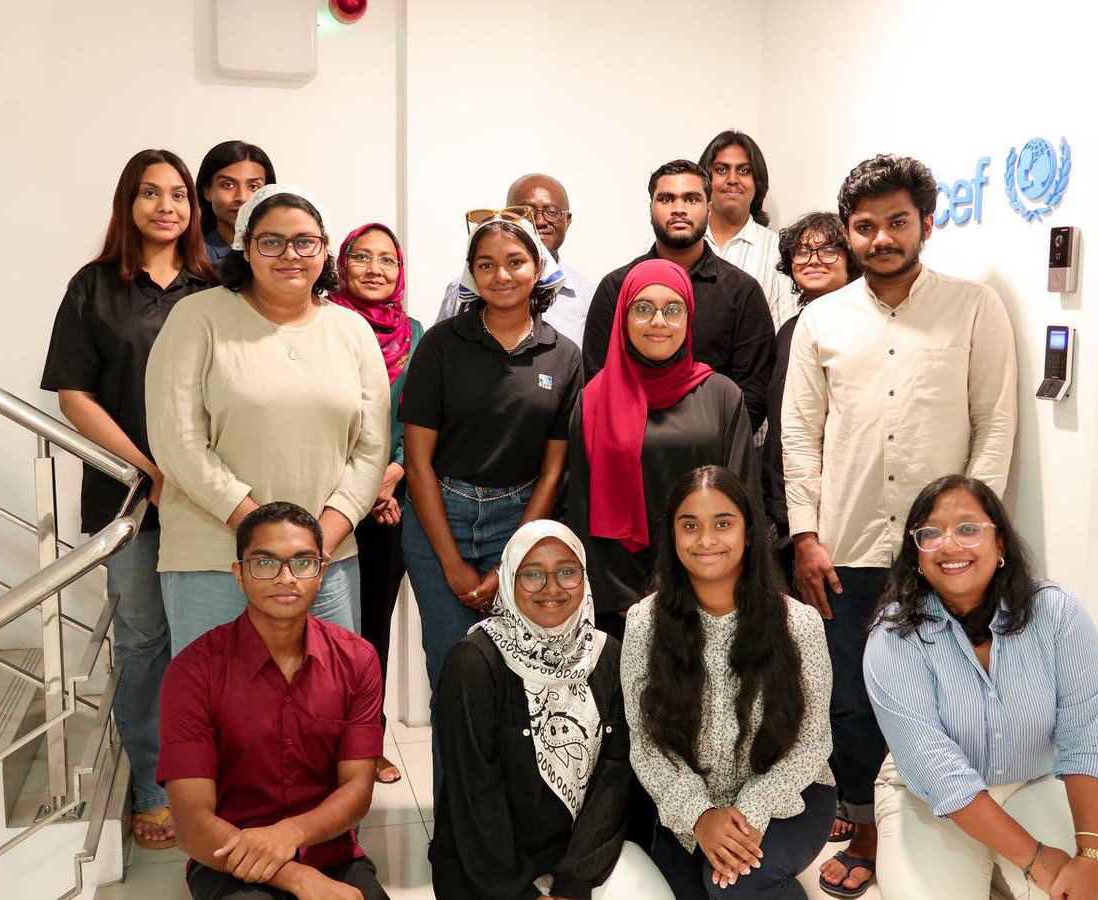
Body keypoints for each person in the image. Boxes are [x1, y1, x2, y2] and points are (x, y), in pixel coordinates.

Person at [781, 154, 1019, 897]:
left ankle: (939, 834)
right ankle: (870, 828)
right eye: (865, 226)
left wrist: (971, 536)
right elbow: (798, 434)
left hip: (941, 556)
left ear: (924, 222)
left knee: (945, 700)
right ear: (847, 232)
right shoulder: (822, 319)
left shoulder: (974, 308)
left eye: (897, 221)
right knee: (853, 700)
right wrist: (806, 536)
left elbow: (996, 422)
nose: (881, 237)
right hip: (846, 549)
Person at [41, 148, 214, 851]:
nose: (166, 206)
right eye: (151, 193)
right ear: (128, 204)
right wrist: (148, 471)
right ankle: (153, 786)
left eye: (178, 194)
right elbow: (74, 393)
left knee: (207, 646)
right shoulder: (94, 287)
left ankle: (210, 783)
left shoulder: (216, 287)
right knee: (145, 643)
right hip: (131, 502)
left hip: (209, 503)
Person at [146, 184, 390, 655]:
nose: (290, 255)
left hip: (327, 560)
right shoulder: (197, 318)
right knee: (215, 708)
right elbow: (178, 441)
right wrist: (264, 537)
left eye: (305, 241)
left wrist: (316, 545)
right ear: (245, 247)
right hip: (214, 557)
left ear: (324, 249)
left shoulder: (351, 330)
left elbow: (371, 448)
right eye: (271, 241)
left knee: (323, 706)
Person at [865, 475, 1098, 900]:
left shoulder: (1058, 615)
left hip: (1032, 780)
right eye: (930, 534)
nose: (949, 545)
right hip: (927, 800)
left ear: (999, 544)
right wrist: (1035, 858)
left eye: (968, 528)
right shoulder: (893, 636)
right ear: (917, 556)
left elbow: (1088, 739)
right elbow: (940, 775)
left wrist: (1093, 856)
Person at [398, 211, 582, 792]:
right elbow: (419, 460)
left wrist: (511, 559)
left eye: (515, 261)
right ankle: (457, 824)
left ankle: (516, 816)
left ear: (538, 269)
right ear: (471, 275)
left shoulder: (564, 354)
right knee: (453, 673)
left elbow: (555, 466)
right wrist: (452, 563)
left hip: (522, 518)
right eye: (486, 265)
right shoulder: (443, 345)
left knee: (521, 676)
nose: (501, 275)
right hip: (440, 514)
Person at [429, 519, 674, 900]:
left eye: (566, 572)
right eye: (532, 575)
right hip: (489, 870)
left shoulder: (606, 654)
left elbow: (614, 775)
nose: (552, 588)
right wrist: (521, 893)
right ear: (509, 581)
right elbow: (474, 794)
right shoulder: (474, 663)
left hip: (582, 856)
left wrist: (572, 882)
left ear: (585, 577)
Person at [621, 465, 835, 900]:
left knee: (732, 883)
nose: (706, 540)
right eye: (690, 526)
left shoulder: (800, 624)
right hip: (687, 806)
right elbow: (645, 744)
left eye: (722, 523)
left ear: (750, 532)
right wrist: (700, 816)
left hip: (789, 798)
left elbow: (813, 742)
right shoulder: (645, 623)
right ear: (673, 536)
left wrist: (746, 813)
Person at [157, 502, 389, 900]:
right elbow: (192, 821)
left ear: (320, 574)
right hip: (229, 856)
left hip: (328, 851)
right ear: (240, 575)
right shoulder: (192, 671)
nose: (285, 578)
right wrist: (296, 877)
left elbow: (357, 790)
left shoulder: (358, 660)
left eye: (302, 563)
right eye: (265, 563)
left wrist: (291, 833)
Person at [567, 258, 760, 640]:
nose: (658, 321)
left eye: (673, 310)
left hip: (712, 593)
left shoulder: (721, 394)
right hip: (621, 607)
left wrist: (711, 586)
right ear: (623, 318)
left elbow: (743, 498)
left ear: (689, 319)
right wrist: (627, 601)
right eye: (643, 309)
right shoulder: (593, 399)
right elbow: (581, 505)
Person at [329, 222, 423, 786]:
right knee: (326, 631)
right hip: (330, 498)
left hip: (392, 500)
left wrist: (389, 479)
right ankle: (325, 745)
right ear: (342, 264)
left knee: (371, 632)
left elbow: (421, 416)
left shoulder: (415, 334)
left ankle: (367, 744)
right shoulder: (323, 324)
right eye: (361, 257)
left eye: (386, 259)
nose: (374, 269)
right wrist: (360, 489)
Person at [581, 159, 774, 432]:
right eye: (667, 199)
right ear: (651, 209)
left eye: (691, 199)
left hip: (711, 458)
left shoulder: (741, 291)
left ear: (708, 209)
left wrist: (706, 449)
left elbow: (752, 394)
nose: (679, 209)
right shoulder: (617, 287)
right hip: (628, 447)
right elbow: (598, 379)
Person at [761, 213, 860, 601]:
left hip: (833, 520)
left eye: (828, 249)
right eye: (803, 250)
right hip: (783, 514)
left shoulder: (860, 331)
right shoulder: (790, 329)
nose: (813, 259)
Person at [434, 174, 597, 346]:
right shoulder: (461, 292)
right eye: (527, 211)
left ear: (567, 220)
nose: (540, 221)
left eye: (552, 212)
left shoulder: (588, 297)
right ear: (506, 216)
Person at [698, 130, 795, 330]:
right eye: (722, 169)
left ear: (757, 183)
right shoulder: (675, 243)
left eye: (744, 171)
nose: (733, 179)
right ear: (705, 181)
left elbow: (785, 332)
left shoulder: (779, 251)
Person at [195, 141, 277, 266]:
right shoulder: (195, 257)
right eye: (228, 185)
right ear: (207, 191)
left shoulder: (284, 251)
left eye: (253, 186)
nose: (242, 198)